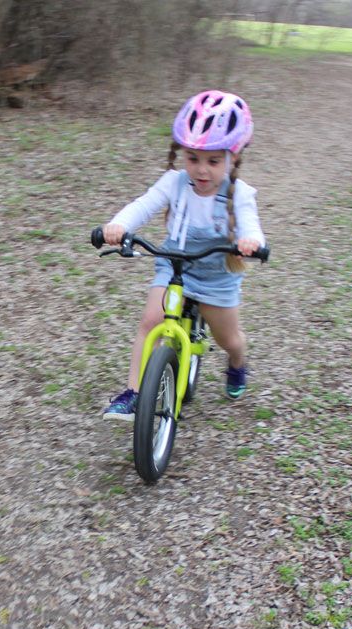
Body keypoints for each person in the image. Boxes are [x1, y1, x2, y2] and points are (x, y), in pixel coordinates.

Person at [100, 90, 265, 420]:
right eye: (193, 159)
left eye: (213, 161)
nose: (202, 170)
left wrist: (250, 241)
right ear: (182, 155)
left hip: (218, 275)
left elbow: (250, 224)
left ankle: (237, 363)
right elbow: (143, 205)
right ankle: (133, 393)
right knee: (150, 322)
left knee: (229, 339)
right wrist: (118, 225)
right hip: (175, 265)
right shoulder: (173, 183)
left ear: (233, 158)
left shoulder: (239, 193)